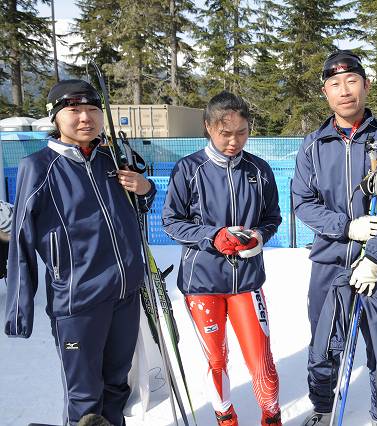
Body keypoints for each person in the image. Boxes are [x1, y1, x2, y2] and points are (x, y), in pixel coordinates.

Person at [4, 79, 156, 426]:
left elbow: (138, 208)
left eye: (92, 109)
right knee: (85, 399)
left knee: (117, 387)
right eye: (74, 110)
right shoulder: (39, 167)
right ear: (56, 118)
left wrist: (144, 188)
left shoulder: (111, 159)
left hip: (125, 295)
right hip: (78, 301)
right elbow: (22, 239)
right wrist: (18, 307)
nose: (85, 117)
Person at [291, 50, 377, 426]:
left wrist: (376, 257)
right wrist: (346, 227)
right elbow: (302, 201)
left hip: (375, 267)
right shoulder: (314, 145)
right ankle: (323, 408)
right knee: (324, 344)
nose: (344, 91)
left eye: (351, 81)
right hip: (330, 262)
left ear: (366, 84)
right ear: (325, 92)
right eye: (335, 84)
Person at [162, 91, 283, 426]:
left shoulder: (259, 170)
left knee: (261, 361)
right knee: (216, 359)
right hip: (202, 283)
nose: (233, 141)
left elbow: (272, 217)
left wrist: (259, 236)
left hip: (246, 281)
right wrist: (211, 236)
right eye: (225, 133)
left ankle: (272, 417)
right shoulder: (189, 168)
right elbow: (171, 222)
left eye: (241, 133)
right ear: (208, 128)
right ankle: (225, 417)